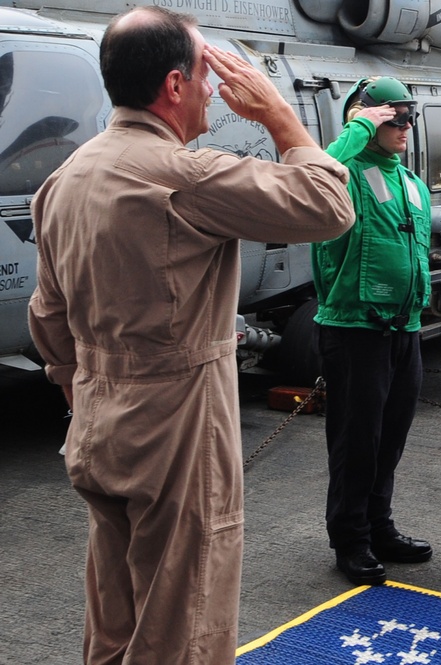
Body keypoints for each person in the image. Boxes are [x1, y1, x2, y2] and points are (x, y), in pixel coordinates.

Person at [26, 7, 356, 664]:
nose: (216, 89)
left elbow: (47, 316)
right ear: (173, 86)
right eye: (207, 74)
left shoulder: (64, 179)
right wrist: (278, 115)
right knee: (184, 625)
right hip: (177, 424)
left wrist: (83, 390)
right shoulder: (184, 175)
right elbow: (329, 205)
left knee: (115, 619)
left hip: (97, 419)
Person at [312, 76, 433, 587]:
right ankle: (350, 538)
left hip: (403, 328)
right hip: (355, 329)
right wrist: (359, 126)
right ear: (367, 118)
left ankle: (379, 527)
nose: (405, 126)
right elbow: (317, 176)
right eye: (394, 116)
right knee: (356, 441)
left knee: (390, 439)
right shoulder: (347, 172)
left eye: (409, 115)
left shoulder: (410, 182)